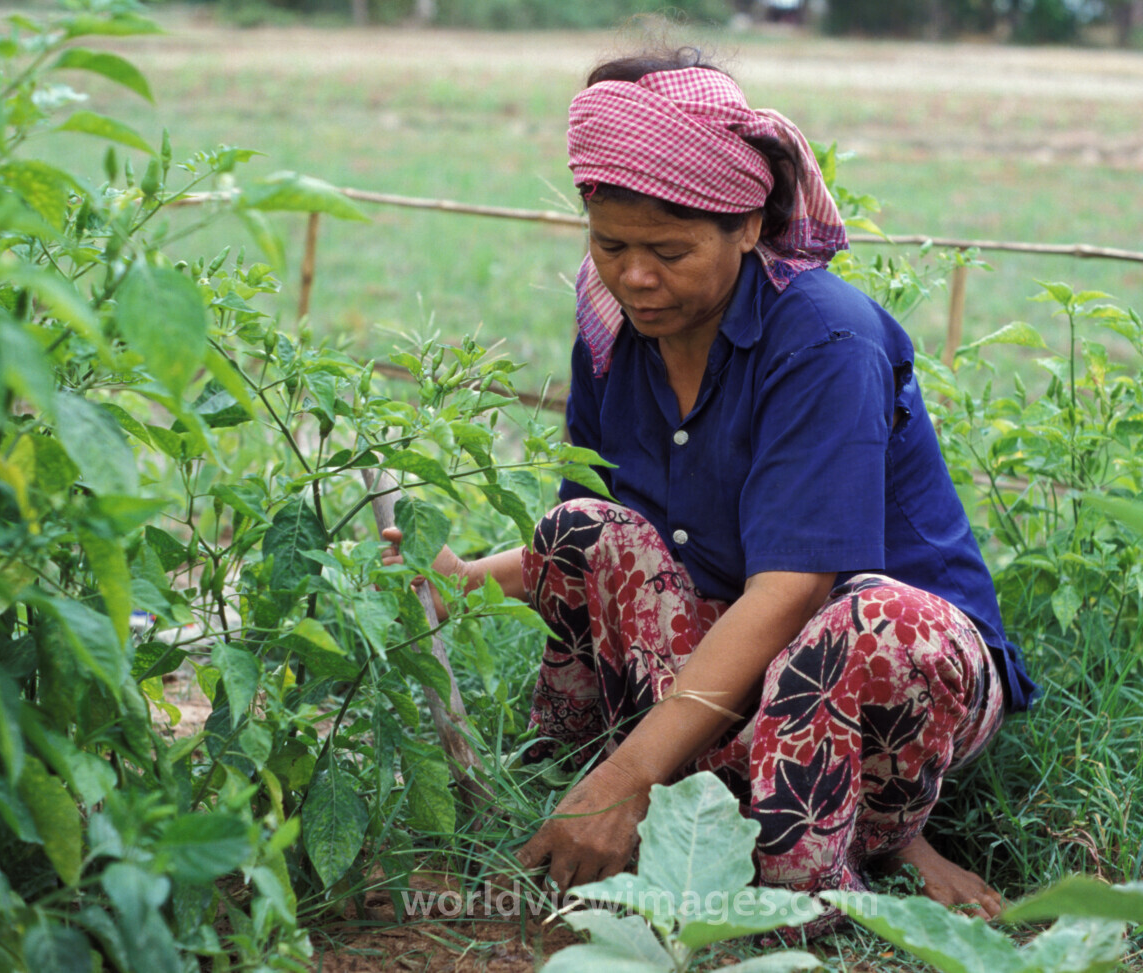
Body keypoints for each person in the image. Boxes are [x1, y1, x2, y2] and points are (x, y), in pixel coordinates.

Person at [381, 48, 1038, 924]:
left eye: (670, 250)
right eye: (610, 245)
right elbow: (619, 552)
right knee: (582, 527)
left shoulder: (825, 341)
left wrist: (629, 778)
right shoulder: (614, 326)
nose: (636, 277)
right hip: (739, 654)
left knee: (872, 625)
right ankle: (597, 787)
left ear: (749, 226)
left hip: (888, 668)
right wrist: (459, 581)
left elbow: (795, 592)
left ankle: (844, 856)